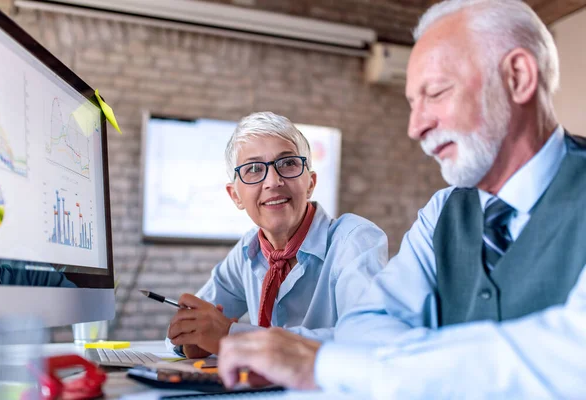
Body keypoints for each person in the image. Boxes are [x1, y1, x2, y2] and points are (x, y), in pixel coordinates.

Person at [217, 1, 586, 398]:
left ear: (517, 76)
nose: (416, 127)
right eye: (413, 103)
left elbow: (569, 358)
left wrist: (330, 363)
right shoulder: (442, 213)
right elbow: (369, 324)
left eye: (436, 93)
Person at [166, 111, 388, 358]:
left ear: (311, 183)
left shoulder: (354, 240)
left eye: (288, 163)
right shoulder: (248, 251)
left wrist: (233, 337)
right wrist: (192, 341)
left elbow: (369, 340)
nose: (273, 181)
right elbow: (186, 325)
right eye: (253, 169)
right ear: (235, 196)